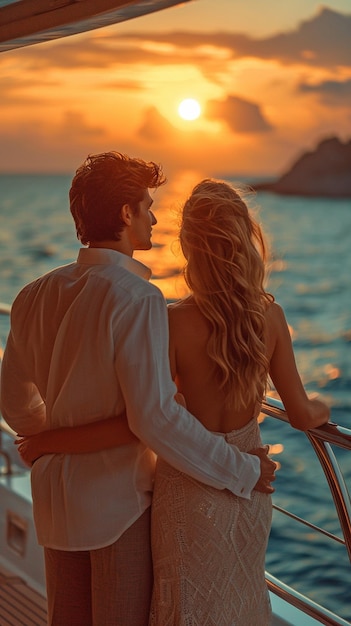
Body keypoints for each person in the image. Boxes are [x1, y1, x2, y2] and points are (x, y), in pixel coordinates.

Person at [15, 178, 330, 625]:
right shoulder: (271, 317)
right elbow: (300, 413)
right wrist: (323, 408)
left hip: (186, 486)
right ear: (245, 240)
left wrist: (49, 439)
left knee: (182, 606)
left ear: (188, 248)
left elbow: (150, 416)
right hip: (251, 484)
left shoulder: (170, 321)